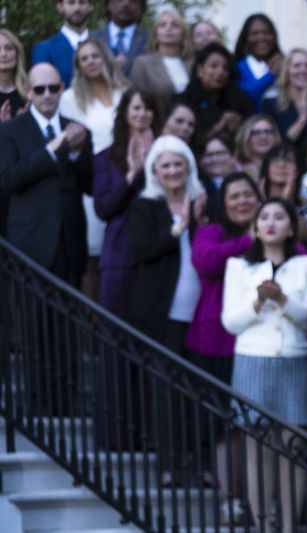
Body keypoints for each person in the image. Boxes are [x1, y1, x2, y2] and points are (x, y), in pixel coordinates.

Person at [222, 197, 307, 530]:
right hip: (251, 360)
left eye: (279, 217)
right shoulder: (238, 266)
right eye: (264, 217)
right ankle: (264, 525)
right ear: (255, 227)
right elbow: (230, 322)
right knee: (257, 448)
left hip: (295, 360)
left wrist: (281, 299)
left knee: (294, 447)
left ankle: (290, 526)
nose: (270, 223)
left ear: (291, 226)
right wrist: (257, 300)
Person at [127, 134, 207, 484]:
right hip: (162, 313)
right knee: (166, 388)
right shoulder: (145, 205)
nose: (173, 171)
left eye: (179, 164)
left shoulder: (203, 200)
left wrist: (199, 220)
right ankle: (169, 465)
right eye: (166, 165)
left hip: (202, 314)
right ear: (155, 171)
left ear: (188, 166)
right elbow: (142, 249)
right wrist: (180, 227)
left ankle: (200, 461)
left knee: (199, 388)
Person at [186, 172, 260, 494]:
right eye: (234, 197)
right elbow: (205, 261)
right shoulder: (211, 232)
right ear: (223, 204)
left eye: (248, 195)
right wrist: (251, 240)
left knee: (253, 425)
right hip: (215, 340)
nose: (242, 201)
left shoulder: (276, 228)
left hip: (260, 342)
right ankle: (230, 497)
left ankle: (252, 498)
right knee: (220, 424)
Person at [0, 63, 93, 286]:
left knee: (69, 318)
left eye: (53, 88)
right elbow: (8, 179)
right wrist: (50, 150)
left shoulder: (78, 130)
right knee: (32, 319)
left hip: (71, 243)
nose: (48, 95)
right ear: (28, 91)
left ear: (62, 88)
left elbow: (90, 185)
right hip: (31, 242)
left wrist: (77, 152)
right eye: (40, 89)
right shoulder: (9, 130)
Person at [60, 39, 130, 300]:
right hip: (94, 181)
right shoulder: (70, 98)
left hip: (129, 175)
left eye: (95, 56)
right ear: (78, 66)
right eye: (84, 59)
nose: (90, 61)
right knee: (94, 254)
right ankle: (92, 326)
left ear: (105, 58)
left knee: (125, 253)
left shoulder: (125, 90)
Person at [93, 87, 161, 318]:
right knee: (115, 332)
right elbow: (103, 209)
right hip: (119, 251)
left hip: (159, 249)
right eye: (137, 108)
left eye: (148, 108)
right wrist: (132, 175)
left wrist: (153, 165)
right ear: (125, 113)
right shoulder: (106, 157)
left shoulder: (167, 154)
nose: (142, 114)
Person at [264, 48, 307, 149]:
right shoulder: (271, 104)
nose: (303, 70)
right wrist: (303, 118)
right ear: (287, 71)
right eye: (297, 66)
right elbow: (279, 148)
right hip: (287, 163)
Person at [181, 42, 253, 141]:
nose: (220, 72)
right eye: (214, 66)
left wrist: (240, 129)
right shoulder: (184, 101)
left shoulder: (240, 101)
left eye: (225, 68)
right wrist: (218, 128)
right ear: (199, 69)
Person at [129, 5, 193, 110]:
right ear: (156, 35)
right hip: (158, 123)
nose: (169, 28)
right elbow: (136, 100)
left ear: (183, 34)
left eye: (175, 25)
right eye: (162, 25)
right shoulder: (143, 64)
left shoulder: (192, 63)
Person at [0, 29, 29, 238]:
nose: (3, 54)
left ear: (17, 53)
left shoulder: (30, 93)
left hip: (22, 184)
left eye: (8, 48)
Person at [32, 0, 93, 87]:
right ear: (60, 6)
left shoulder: (104, 44)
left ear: (90, 6)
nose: (77, 8)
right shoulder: (44, 49)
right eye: (71, 2)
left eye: (82, 2)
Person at [233, 14, 284, 111]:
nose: (261, 37)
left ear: (274, 36)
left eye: (267, 32)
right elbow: (248, 96)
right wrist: (272, 75)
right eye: (254, 33)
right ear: (246, 39)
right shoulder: (238, 67)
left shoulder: (284, 63)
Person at [90, 0, 150, 76]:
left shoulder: (151, 41)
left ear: (141, 7)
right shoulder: (90, 39)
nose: (126, 3)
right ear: (108, 4)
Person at [234, 113, 280, 180]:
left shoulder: (285, 166)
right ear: (246, 138)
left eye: (268, 131)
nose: (263, 137)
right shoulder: (235, 170)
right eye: (256, 133)